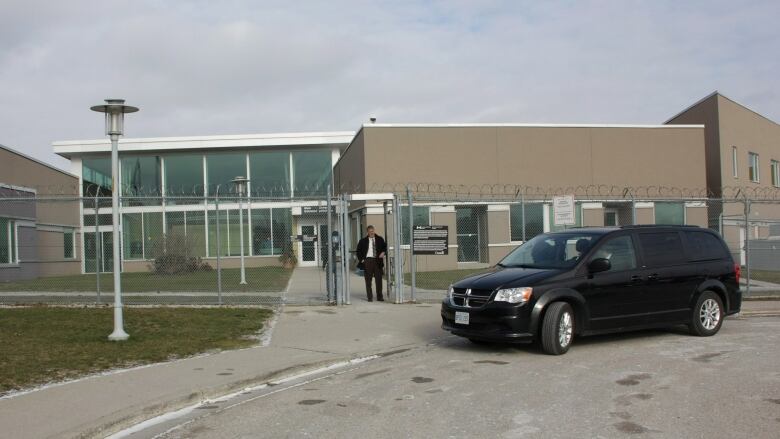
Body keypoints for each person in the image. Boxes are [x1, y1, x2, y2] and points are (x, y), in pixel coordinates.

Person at [356, 225, 387, 302]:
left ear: (374, 230)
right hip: (367, 261)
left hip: (377, 261)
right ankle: (370, 297)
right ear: (368, 232)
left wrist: (383, 252)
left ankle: (380, 296)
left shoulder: (380, 239)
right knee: (368, 280)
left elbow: (384, 247)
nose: (371, 232)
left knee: (379, 280)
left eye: (372, 231)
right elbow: (358, 251)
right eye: (370, 231)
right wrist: (362, 260)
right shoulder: (362, 241)